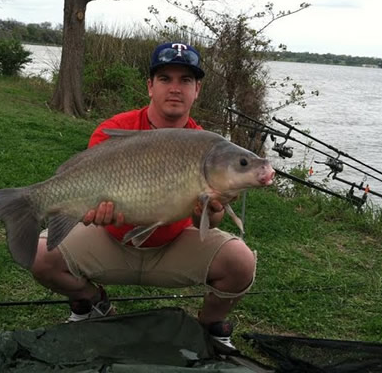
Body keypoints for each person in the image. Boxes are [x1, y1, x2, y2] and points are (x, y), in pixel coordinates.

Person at [31, 42, 258, 351]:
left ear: (197, 89)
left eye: (185, 80)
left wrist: (214, 205)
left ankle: (210, 326)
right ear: (150, 86)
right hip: (110, 240)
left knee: (242, 262)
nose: (175, 88)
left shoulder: (207, 146)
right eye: (165, 78)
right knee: (40, 255)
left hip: (172, 245)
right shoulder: (115, 130)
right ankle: (93, 302)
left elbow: (210, 218)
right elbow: (84, 187)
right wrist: (86, 210)